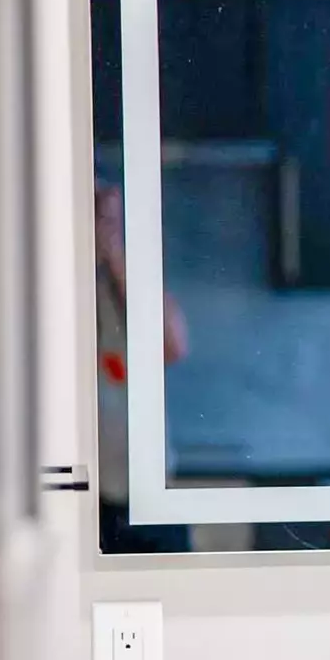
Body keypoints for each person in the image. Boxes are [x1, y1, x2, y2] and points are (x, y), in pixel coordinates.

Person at [95, 183, 193, 554]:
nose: (102, 228)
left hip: (146, 490)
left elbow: (173, 345)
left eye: (109, 219)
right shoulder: (60, 285)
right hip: (91, 496)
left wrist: (115, 254)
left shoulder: (132, 284)